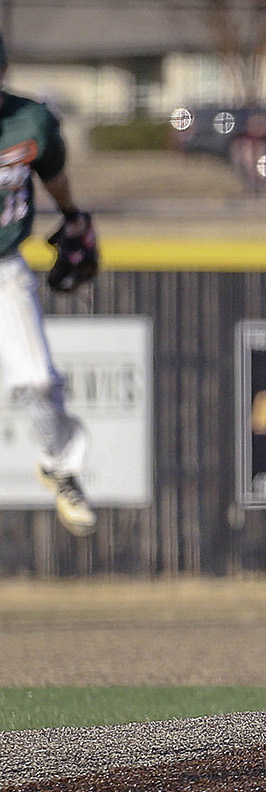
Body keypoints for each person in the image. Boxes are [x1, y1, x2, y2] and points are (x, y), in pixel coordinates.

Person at [0, 31, 99, 537]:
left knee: (39, 382)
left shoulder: (30, 121)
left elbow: (53, 173)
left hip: (3, 267)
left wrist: (72, 216)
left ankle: (60, 466)